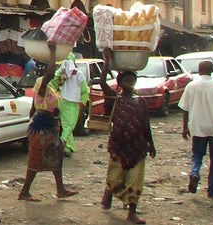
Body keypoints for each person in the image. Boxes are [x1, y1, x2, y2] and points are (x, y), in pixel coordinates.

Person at [99, 48, 155, 224]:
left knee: (135, 180)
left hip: (138, 146)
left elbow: (146, 124)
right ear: (120, 83)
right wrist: (107, 61)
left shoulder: (141, 102)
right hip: (119, 145)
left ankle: (132, 212)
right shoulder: (115, 99)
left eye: (132, 79)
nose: (130, 82)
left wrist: (151, 145)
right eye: (126, 80)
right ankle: (109, 192)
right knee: (114, 178)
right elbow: (102, 82)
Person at [18, 43, 78, 202]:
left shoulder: (44, 85)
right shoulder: (42, 83)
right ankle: (24, 192)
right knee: (37, 160)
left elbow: (34, 104)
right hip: (43, 127)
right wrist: (52, 51)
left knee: (56, 157)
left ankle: (60, 189)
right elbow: (51, 71)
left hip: (48, 126)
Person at [178, 59, 213, 197]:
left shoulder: (191, 86)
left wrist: (185, 127)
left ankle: (194, 173)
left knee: (197, 154)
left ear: (199, 71)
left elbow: (185, 109)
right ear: (211, 71)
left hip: (198, 127)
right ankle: (212, 189)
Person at [55, 52, 89, 157]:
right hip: (71, 103)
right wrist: (83, 102)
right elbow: (84, 90)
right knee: (69, 125)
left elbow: (55, 82)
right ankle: (62, 144)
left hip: (63, 101)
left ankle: (69, 147)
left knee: (66, 125)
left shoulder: (62, 74)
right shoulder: (78, 74)